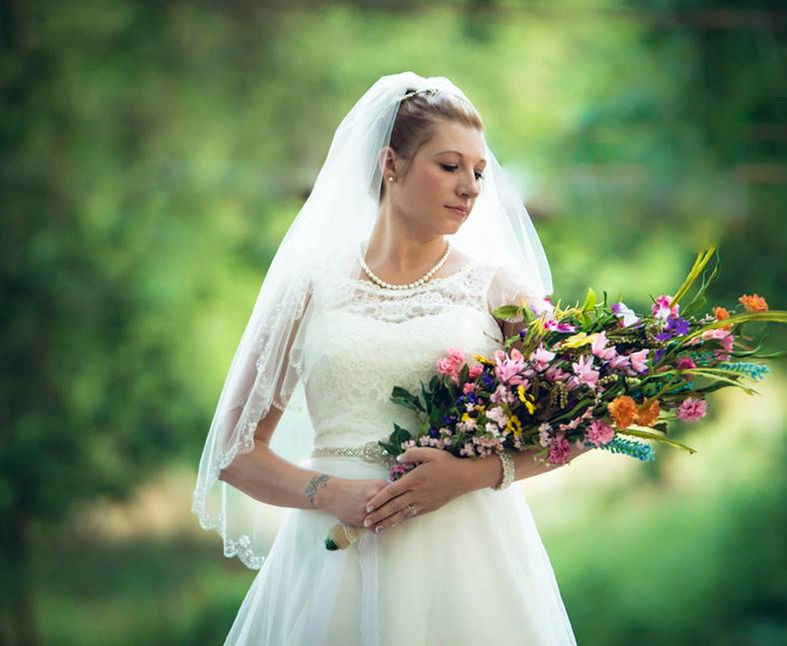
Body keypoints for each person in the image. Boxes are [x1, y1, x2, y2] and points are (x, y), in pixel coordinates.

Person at [191, 72, 590, 645]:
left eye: (479, 171)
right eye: (450, 166)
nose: (471, 187)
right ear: (391, 164)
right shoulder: (309, 288)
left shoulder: (501, 290)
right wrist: (328, 492)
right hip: (330, 555)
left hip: (465, 553)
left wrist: (470, 475)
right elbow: (234, 450)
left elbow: (581, 423)